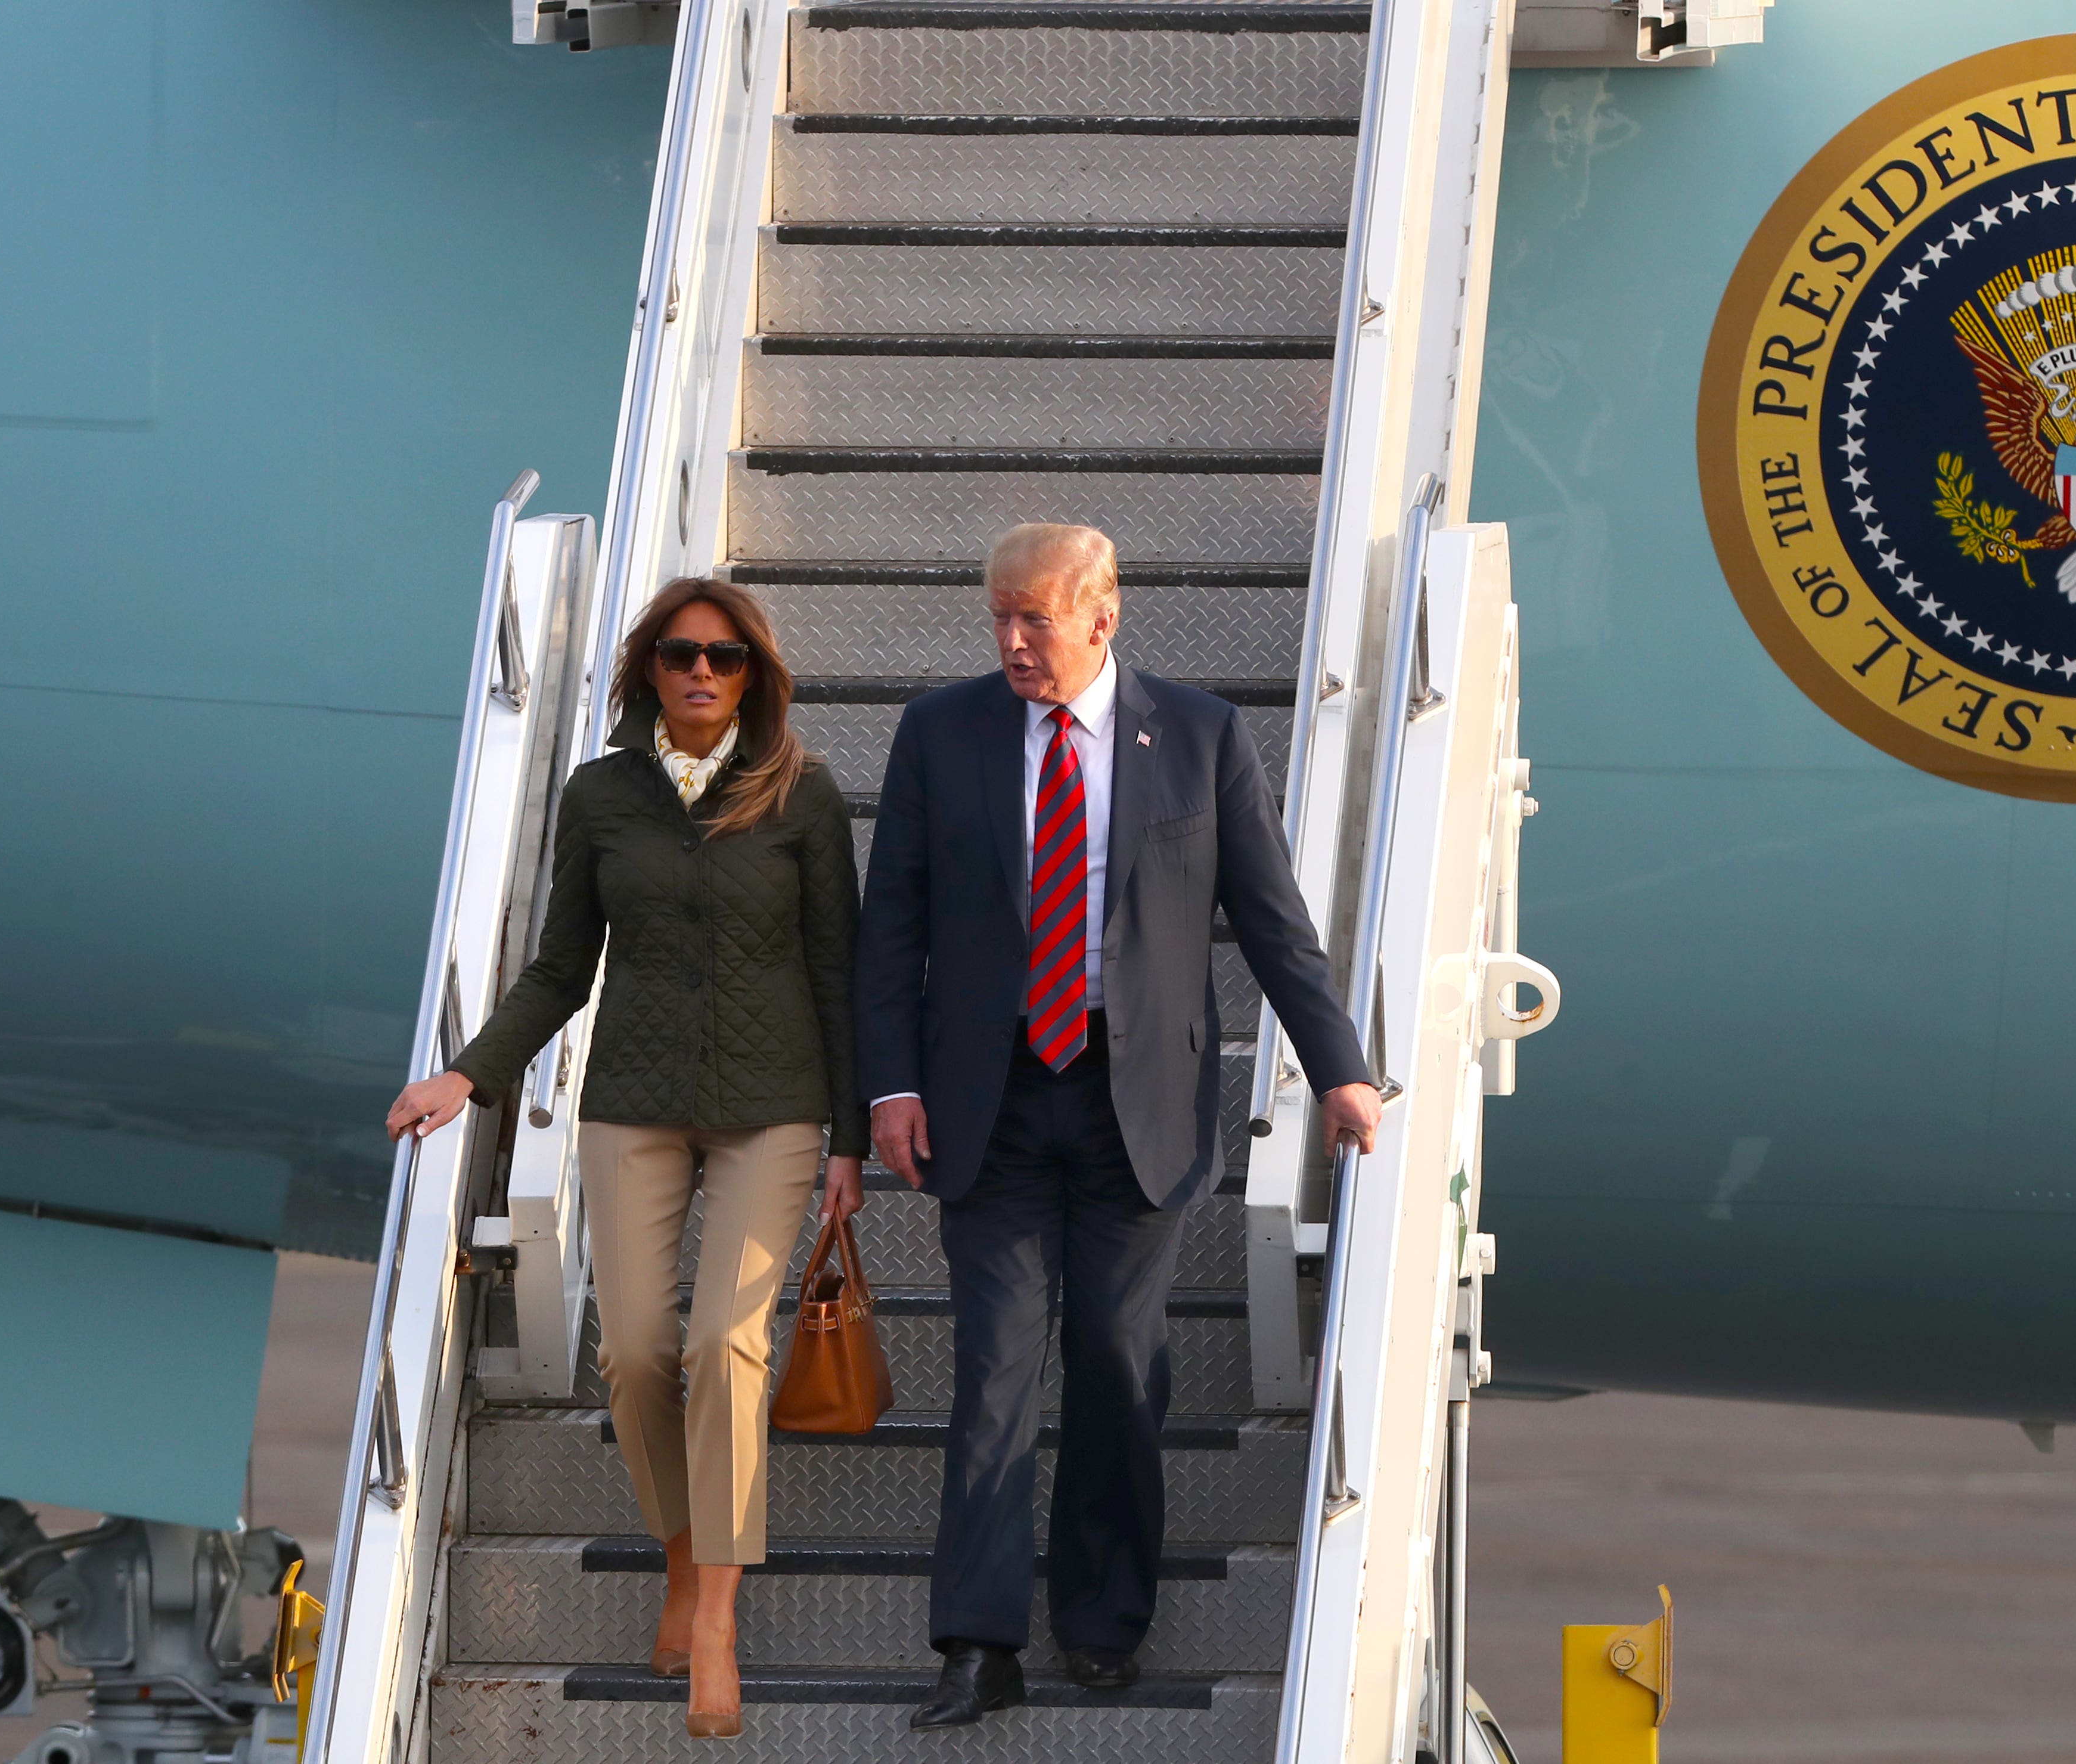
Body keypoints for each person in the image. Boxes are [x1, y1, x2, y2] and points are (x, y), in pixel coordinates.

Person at [855, 523, 1380, 1729]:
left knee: (1112, 1359)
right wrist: (889, 1086)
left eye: (1036, 618)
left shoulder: (1196, 736)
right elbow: (893, 926)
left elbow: (1270, 919)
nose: (1013, 641)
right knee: (993, 1366)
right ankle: (977, 1643)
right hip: (986, 1101)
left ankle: (1101, 1619)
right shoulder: (944, 731)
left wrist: (1340, 1067)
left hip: (1133, 1103)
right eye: (1000, 617)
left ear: (1104, 616)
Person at [384, 576, 867, 1741]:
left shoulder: (803, 795)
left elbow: (840, 978)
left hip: (774, 1106)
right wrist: (469, 1074)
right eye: (680, 654)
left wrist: (851, 1137)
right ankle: (685, 1548)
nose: (703, 673)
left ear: (757, 674)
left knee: (726, 1342)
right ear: (648, 667)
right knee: (640, 1353)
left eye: (726, 658)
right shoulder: (599, 795)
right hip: (634, 1105)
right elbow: (561, 968)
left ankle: (717, 1620)